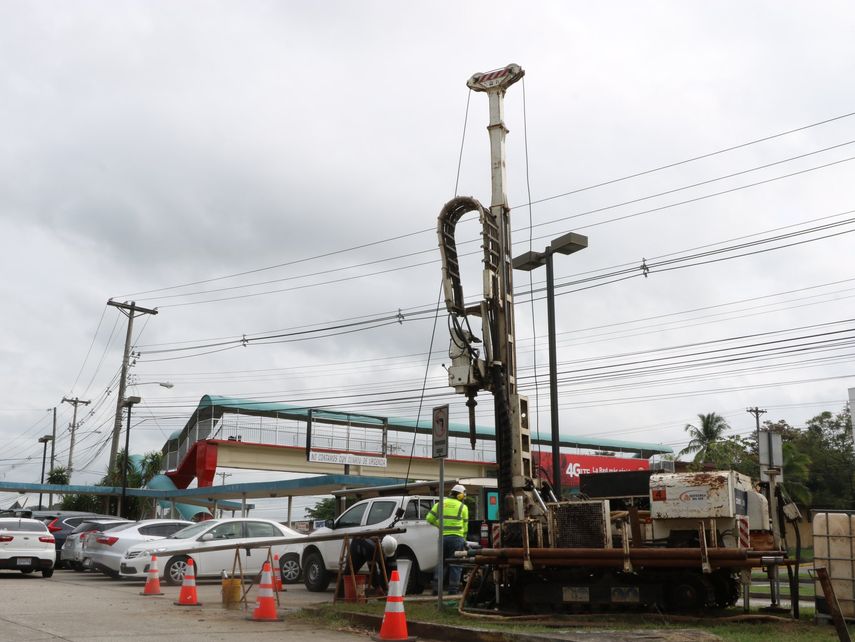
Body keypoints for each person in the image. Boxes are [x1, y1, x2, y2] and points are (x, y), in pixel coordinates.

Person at [426, 483, 469, 594]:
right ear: (460, 496)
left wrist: (440, 525)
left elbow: (429, 518)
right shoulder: (463, 507)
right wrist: (464, 541)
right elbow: (465, 527)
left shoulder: (440, 504)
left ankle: (436, 589)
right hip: (457, 539)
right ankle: (453, 591)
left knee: (441, 563)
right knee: (456, 564)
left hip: (443, 538)